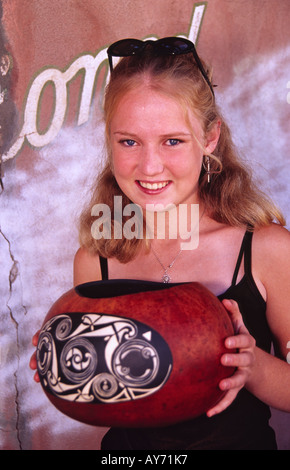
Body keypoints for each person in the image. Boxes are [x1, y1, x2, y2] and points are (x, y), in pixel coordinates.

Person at [31, 37, 290, 450]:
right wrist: (63, 367)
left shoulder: (267, 250)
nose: (150, 166)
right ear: (109, 140)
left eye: (172, 140)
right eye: (129, 141)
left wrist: (253, 366)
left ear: (209, 138)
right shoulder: (96, 260)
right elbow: (113, 393)